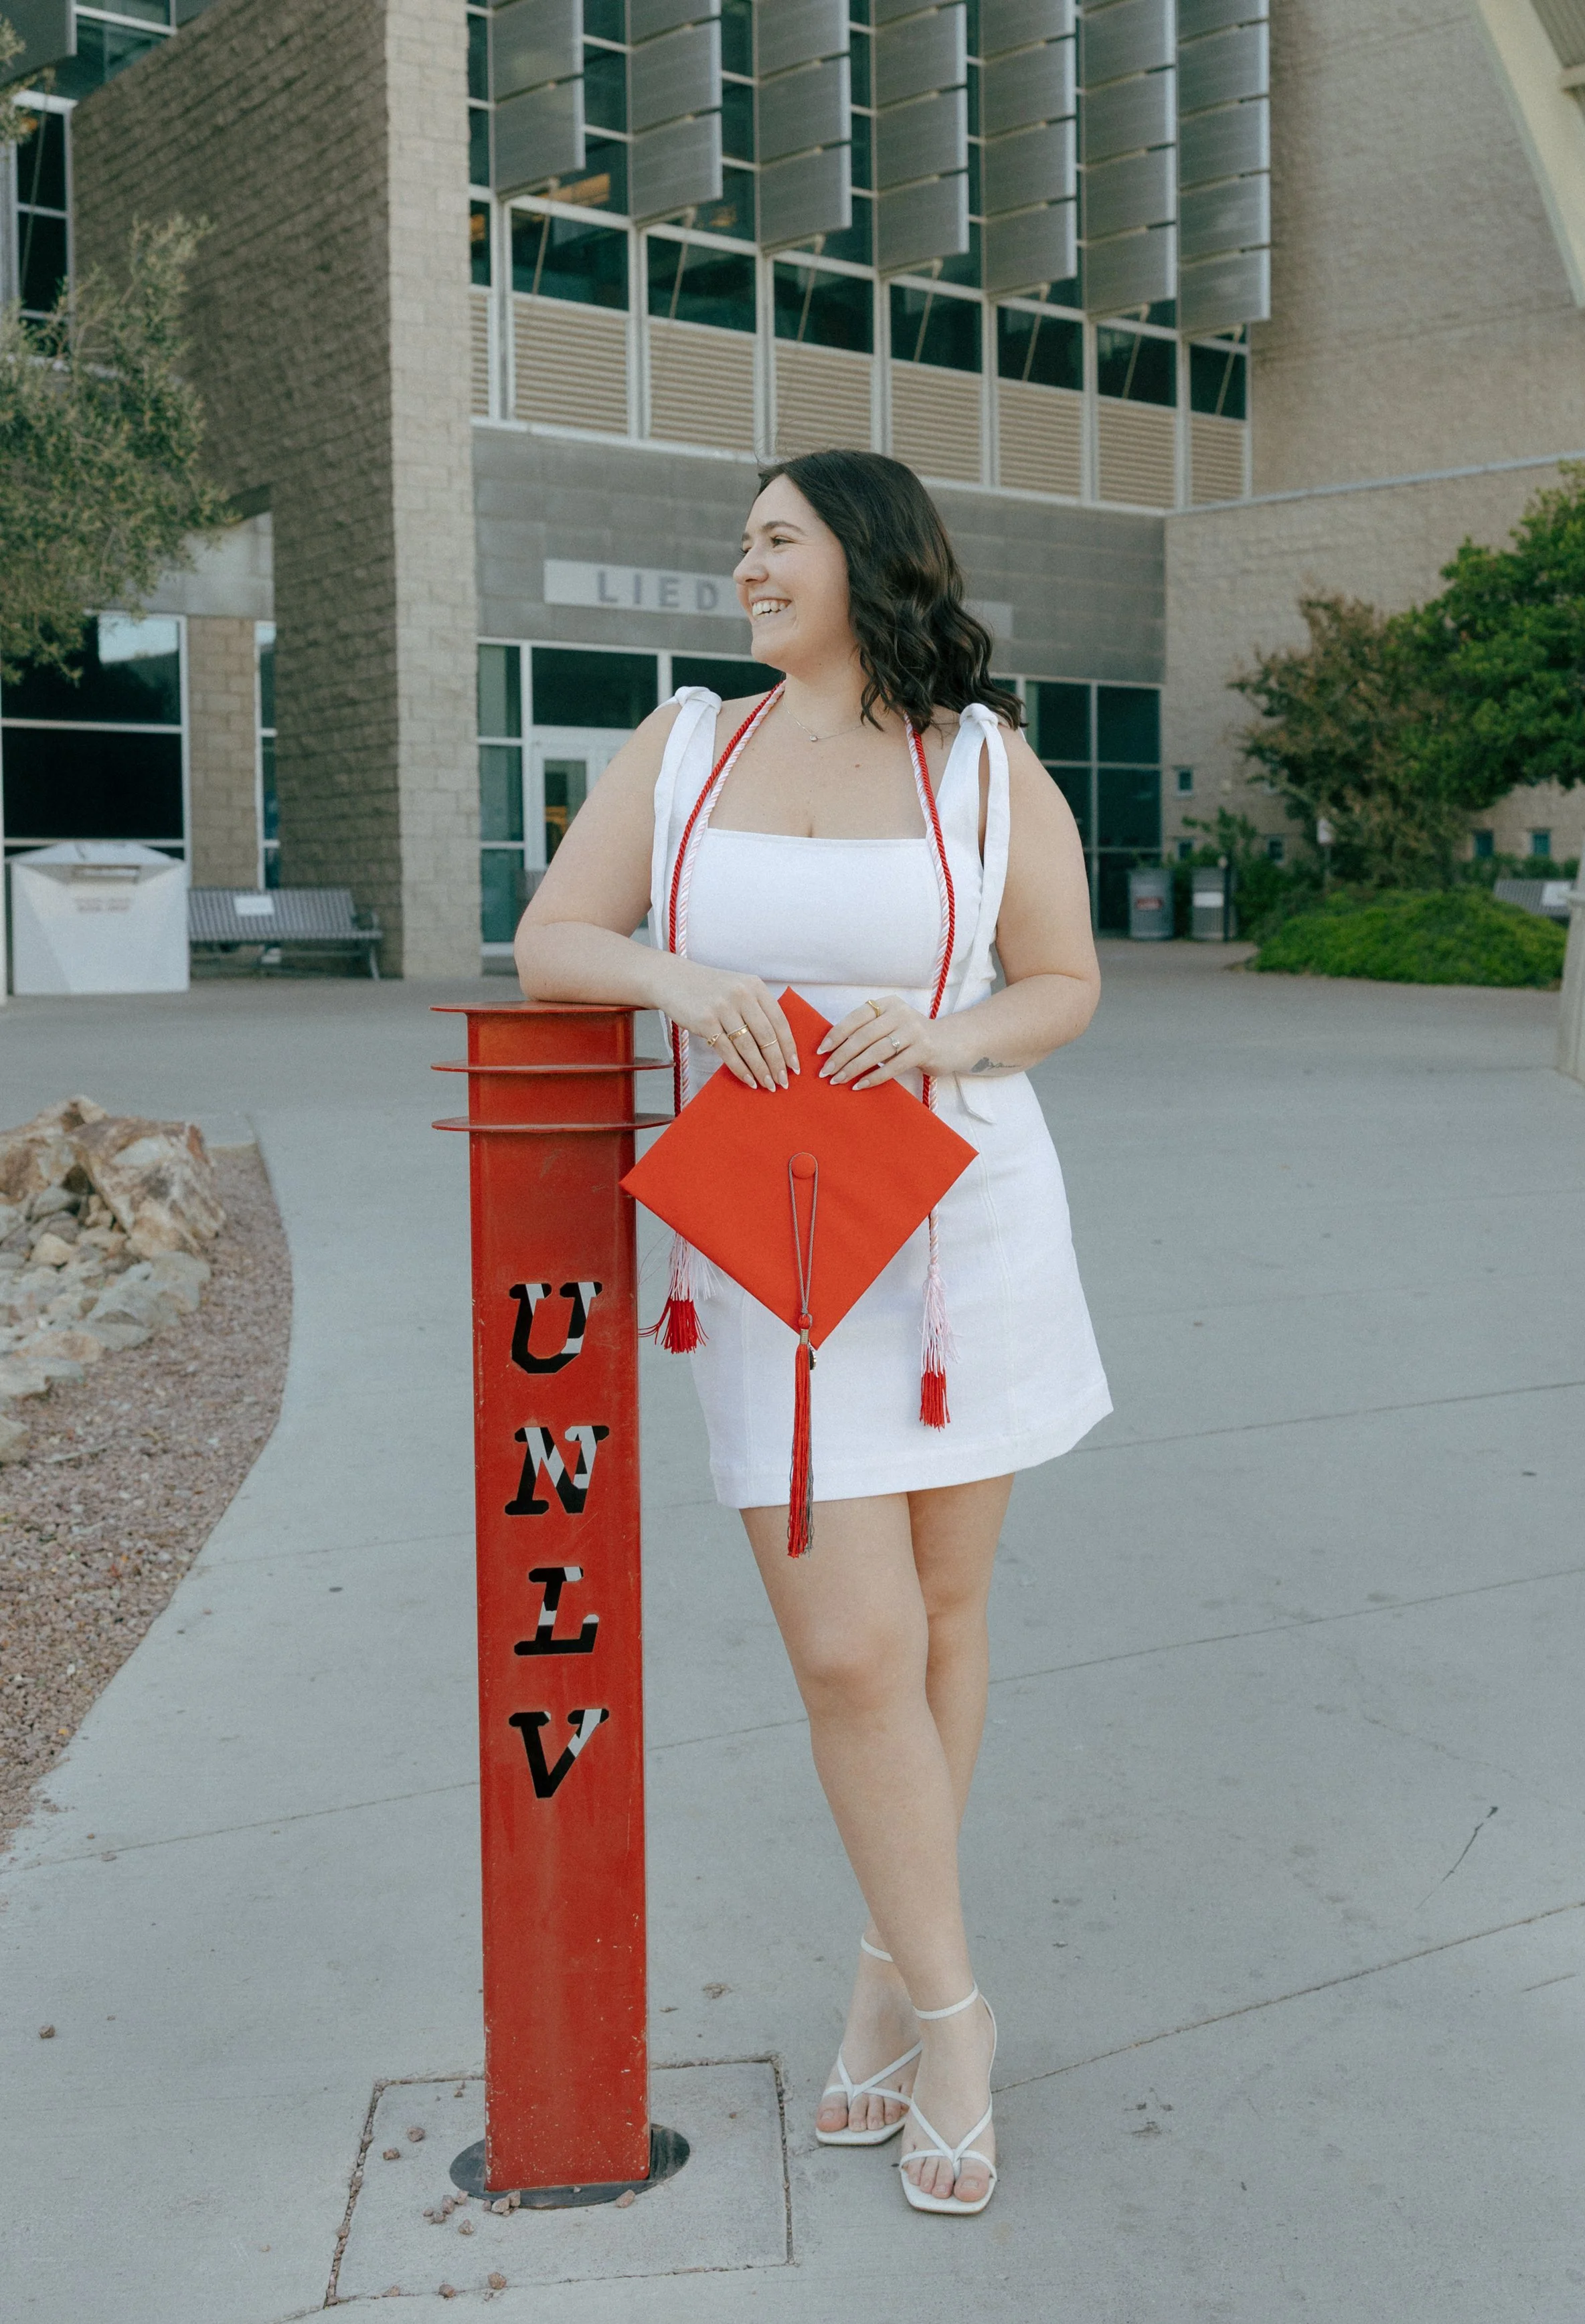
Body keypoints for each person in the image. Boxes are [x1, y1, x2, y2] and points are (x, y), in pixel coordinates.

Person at [515, 448, 1110, 2216]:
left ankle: (880, 1975)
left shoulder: (988, 766)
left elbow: (1062, 983)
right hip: (767, 1247)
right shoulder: (687, 744)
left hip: (955, 1233)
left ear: (863, 557)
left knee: (937, 1618)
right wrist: (681, 981)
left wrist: (940, 1043)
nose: (742, 569)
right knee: (850, 1653)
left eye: (773, 540)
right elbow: (557, 935)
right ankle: (956, 2014)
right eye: (744, 543)